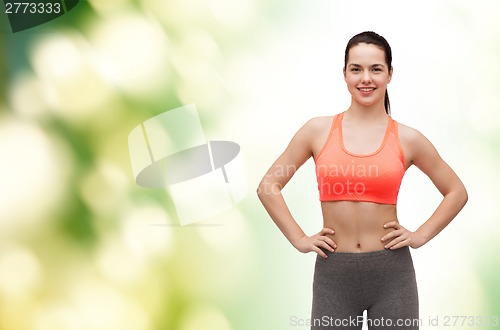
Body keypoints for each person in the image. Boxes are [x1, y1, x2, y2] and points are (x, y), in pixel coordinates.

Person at [256, 31, 468, 330]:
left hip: (392, 275)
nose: (365, 78)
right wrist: (299, 239)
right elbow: (268, 186)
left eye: (375, 69)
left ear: (390, 74)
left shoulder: (408, 138)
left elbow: (456, 191)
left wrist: (419, 236)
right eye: (356, 69)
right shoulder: (317, 131)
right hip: (334, 276)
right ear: (344, 73)